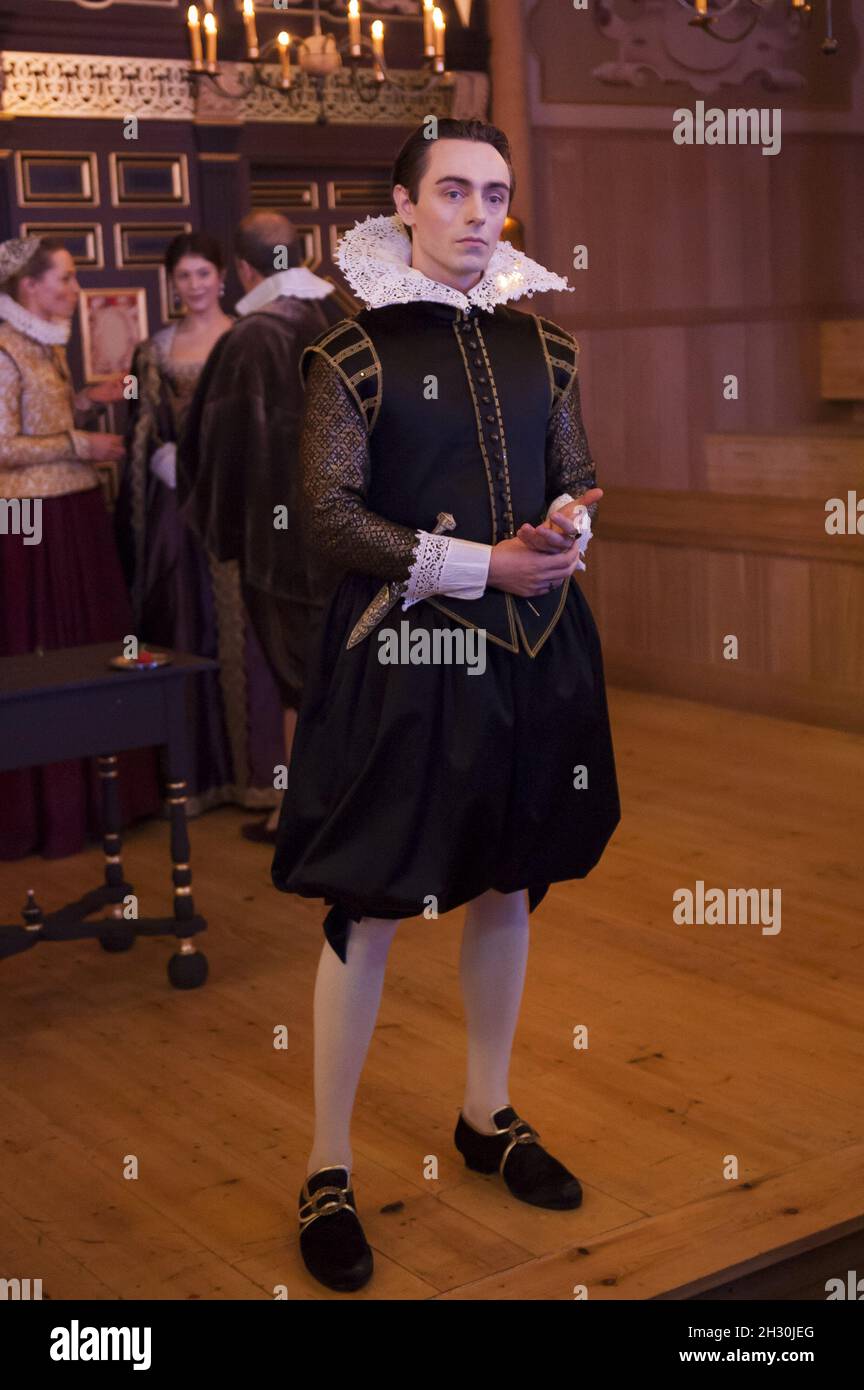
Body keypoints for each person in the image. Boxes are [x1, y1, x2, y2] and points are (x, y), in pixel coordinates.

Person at [269, 119, 622, 1293]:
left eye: (498, 194)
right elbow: (329, 521)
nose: (480, 213)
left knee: (511, 882)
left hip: (535, 655)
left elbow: (572, 476)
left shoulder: (549, 346)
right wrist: (484, 565)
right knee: (367, 907)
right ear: (405, 205)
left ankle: (487, 1113)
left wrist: (565, 532)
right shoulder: (349, 354)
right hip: (404, 657)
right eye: (456, 192)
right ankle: (326, 1167)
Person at [177, 209, 345, 842]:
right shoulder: (345, 314)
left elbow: (217, 452)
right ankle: (326, 811)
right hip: (356, 535)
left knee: (299, 681)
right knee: (342, 676)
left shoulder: (252, 337)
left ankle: (303, 817)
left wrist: (218, 533)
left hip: (282, 546)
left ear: (244, 269)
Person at [0, 236, 160, 859]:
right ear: (27, 286)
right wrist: (79, 444)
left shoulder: (43, 341)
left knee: (85, 647)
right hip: (30, 524)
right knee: (43, 651)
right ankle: (45, 811)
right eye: (64, 279)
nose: (74, 290)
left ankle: (102, 799)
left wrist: (89, 402)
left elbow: (43, 418)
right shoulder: (5, 347)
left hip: (72, 510)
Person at [114, 231, 284, 817]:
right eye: (183, 277)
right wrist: (162, 456)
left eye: (203, 274)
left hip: (236, 502)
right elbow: (144, 422)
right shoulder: (153, 349)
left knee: (247, 627)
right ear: (172, 284)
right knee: (185, 620)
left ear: (223, 276)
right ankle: (196, 779)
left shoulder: (249, 338)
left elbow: (268, 422)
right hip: (178, 510)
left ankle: (257, 777)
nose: (193, 286)